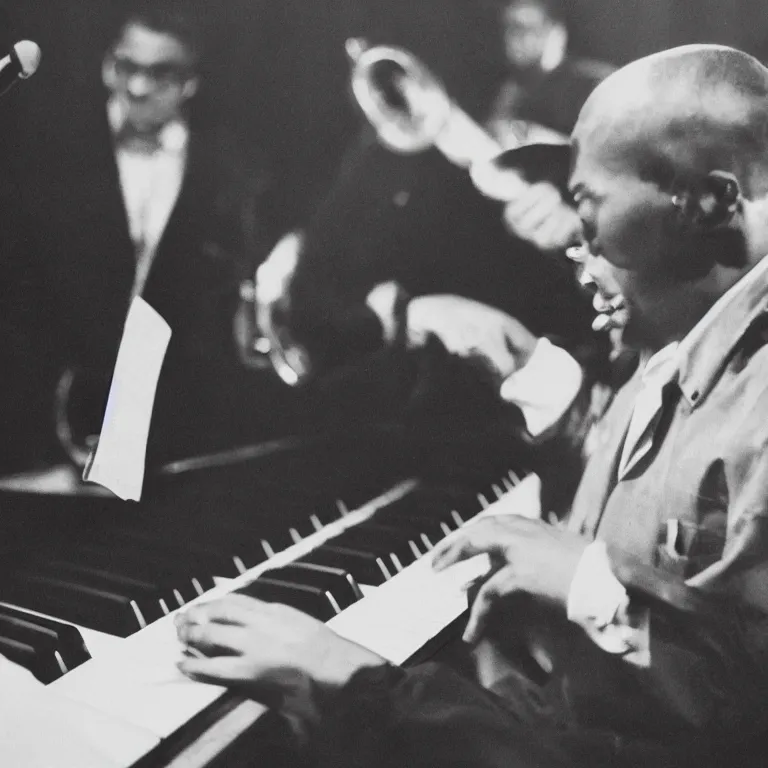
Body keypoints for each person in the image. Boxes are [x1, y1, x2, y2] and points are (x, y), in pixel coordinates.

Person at [175, 44, 768, 767]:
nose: (579, 241)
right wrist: (538, 381)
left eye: (588, 205)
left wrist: (355, 685)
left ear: (708, 202)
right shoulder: (687, 337)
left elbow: (734, 724)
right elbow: (670, 481)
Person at [0, 3, 293, 473]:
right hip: (42, 418)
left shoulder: (233, 169)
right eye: (127, 67)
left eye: (161, 73)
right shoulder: (50, 153)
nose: (138, 87)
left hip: (173, 424)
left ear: (190, 82)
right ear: (106, 66)